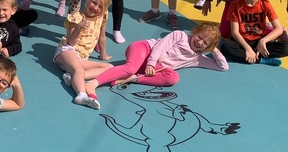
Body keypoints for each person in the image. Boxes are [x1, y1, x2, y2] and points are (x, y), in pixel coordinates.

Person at [84, 23, 225, 104]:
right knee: (130, 67)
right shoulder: (180, 35)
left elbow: (223, 67)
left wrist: (214, 50)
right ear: (195, 32)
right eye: (200, 37)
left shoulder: (197, 58)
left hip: (150, 68)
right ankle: (93, 84)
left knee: (173, 77)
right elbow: (160, 47)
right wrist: (151, 63)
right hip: (144, 49)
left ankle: (131, 78)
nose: (200, 42)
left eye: (205, 43)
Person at [55, 0, 113, 110]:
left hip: (81, 58)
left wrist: (103, 54)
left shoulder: (101, 17)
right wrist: (79, 27)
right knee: (79, 70)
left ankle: (73, 76)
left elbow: (102, 35)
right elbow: (71, 42)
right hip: (67, 51)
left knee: (109, 67)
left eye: (100, 6)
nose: (96, 8)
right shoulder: (77, 17)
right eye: (94, 2)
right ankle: (81, 95)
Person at [220, 0, 288, 66]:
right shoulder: (235, 5)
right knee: (225, 48)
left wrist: (263, 41)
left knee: (287, 47)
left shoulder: (265, 4)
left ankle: (252, 56)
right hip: (242, 41)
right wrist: (247, 48)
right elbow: (235, 32)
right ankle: (261, 59)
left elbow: (279, 29)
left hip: (259, 39)